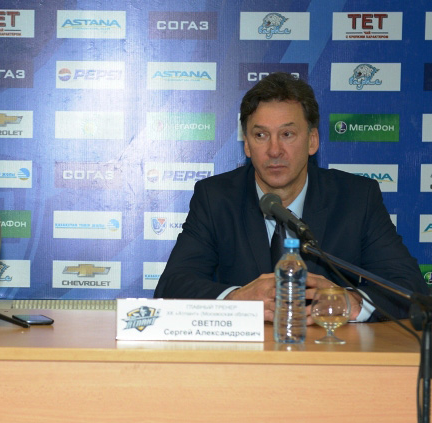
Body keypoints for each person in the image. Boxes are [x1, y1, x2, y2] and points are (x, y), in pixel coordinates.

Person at [154, 72, 427, 323]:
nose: (274, 150)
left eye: (287, 134)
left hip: (329, 354)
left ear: (312, 141)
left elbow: (410, 287)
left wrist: (350, 302)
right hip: (245, 354)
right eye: (261, 135)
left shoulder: (356, 198)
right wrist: (236, 299)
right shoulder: (216, 198)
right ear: (247, 145)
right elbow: (171, 287)